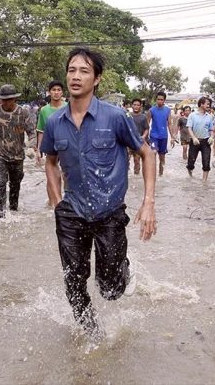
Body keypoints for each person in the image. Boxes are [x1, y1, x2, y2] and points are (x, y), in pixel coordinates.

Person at [40, 47, 156, 339]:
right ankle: (93, 336)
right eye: (71, 70)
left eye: (84, 71)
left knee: (111, 289)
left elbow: (147, 153)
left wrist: (148, 203)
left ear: (97, 79)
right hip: (71, 212)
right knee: (74, 282)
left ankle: (123, 270)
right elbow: (50, 162)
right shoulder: (55, 121)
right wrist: (57, 203)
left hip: (109, 213)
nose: (76, 77)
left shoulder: (115, 117)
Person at [0, 84, 36, 218]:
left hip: (17, 156)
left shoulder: (23, 112)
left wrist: (31, 146)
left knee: (15, 185)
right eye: (3, 99)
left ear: (15, 99)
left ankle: (13, 210)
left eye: (9, 99)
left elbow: (32, 132)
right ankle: (0, 216)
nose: (6, 102)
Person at [36, 80, 68, 166]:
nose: (56, 92)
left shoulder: (69, 108)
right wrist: (39, 150)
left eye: (59, 90)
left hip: (68, 147)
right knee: (51, 172)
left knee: (66, 175)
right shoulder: (44, 110)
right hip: (51, 147)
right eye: (54, 90)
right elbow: (41, 131)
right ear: (49, 92)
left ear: (62, 93)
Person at [146, 91, 177, 176]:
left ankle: (161, 175)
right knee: (153, 153)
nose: (160, 101)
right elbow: (147, 124)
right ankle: (152, 175)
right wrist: (146, 137)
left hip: (164, 137)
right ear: (156, 100)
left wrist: (173, 137)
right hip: (153, 136)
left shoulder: (167, 110)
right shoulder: (151, 110)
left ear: (164, 101)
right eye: (158, 99)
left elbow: (169, 124)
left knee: (162, 157)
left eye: (162, 100)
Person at [185, 97, 214, 181]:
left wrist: (212, 137)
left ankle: (204, 181)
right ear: (201, 104)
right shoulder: (192, 115)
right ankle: (190, 177)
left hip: (206, 141)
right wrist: (193, 138)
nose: (209, 106)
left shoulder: (209, 116)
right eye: (207, 104)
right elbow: (189, 128)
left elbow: (211, 129)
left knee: (206, 162)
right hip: (194, 141)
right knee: (191, 163)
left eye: (209, 104)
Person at [128, 98, 149, 174]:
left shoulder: (143, 117)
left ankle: (136, 177)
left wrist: (143, 137)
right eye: (134, 105)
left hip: (138, 143)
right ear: (131, 106)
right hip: (128, 142)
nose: (136, 106)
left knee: (137, 161)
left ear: (141, 106)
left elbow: (146, 129)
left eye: (138, 105)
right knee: (125, 160)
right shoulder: (127, 116)